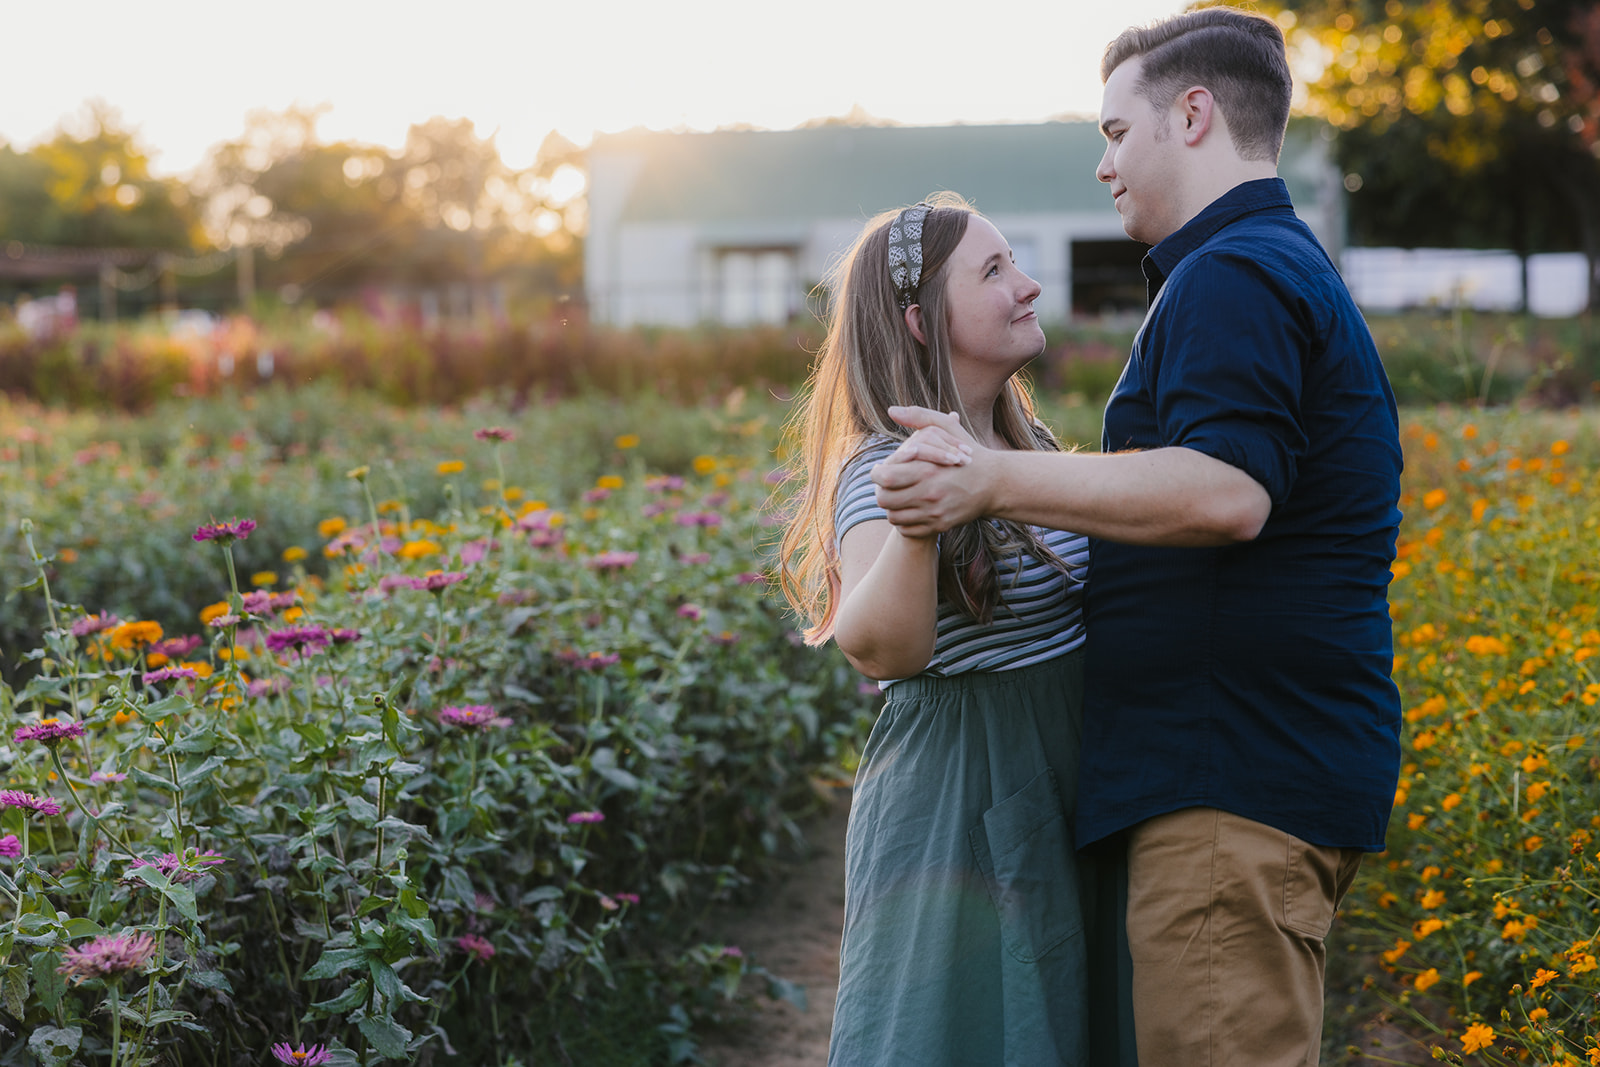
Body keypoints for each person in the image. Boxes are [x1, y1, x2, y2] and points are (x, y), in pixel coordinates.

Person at [870, 10, 1404, 1066]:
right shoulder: (1255, 267)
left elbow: (1228, 492)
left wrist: (991, 480)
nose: (1104, 163)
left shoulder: (1231, 274)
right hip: (1245, 772)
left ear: (1192, 115)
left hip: (1230, 776)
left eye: (1116, 131)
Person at [779, 193, 1134, 1066]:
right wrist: (918, 519)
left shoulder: (1028, 446)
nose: (1031, 285)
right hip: (967, 793)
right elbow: (882, 646)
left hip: (1060, 777)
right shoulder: (882, 469)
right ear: (919, 320)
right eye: (995, 270)